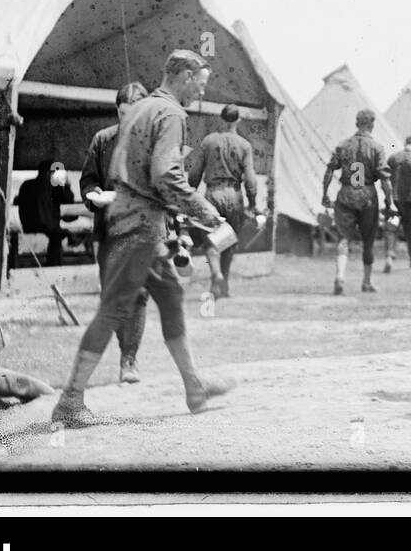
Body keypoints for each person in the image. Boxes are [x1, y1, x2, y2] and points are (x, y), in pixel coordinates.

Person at [51, 49, 235, 428]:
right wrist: (208, 214)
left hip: (136, 222)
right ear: (184, 76)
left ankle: (194, 386)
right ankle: (70, 401)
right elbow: (166, 175)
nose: (199, 94)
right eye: (199, 86)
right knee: (114, 308)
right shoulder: (170, 114)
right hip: (139, 228)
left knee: (170, 296)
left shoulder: (139, 109)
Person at [80, 81, 150, 384]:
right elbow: (87, 180)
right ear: (117, 111)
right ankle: (122, 353)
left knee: (139, 294)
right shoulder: (102, 140)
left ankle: (129, 359)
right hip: (109, 230)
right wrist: (93, 194)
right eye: (123, 114)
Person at [187, 104, 263, 299]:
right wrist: (253, 203)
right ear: (238, 121)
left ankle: (216, 274)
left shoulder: (208, 142)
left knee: (211, 238)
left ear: (220, 119)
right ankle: (224, 285)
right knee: (229, 241)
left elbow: (195, 173)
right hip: (234, 195)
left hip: (213, 194)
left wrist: (189, 194)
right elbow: (250, 178)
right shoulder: (245, 145)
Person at [321, 109, 394, 295]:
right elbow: (385, 179)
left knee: (343, 238)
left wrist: (324, 194)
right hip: (368, 195)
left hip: (345, 194)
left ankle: (340, 277)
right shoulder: (377, 148)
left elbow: (329, 171)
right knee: (368, 242)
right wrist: (389, 201)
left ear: (356, 124)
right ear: (372, 124)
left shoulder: (343, 145)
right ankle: (367, 282)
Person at [16, 160, 80, 268]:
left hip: (27, 227)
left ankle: (54, 264)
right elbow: (70, 209)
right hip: (46, 228)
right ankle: (54, 266)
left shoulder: (26, 185)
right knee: (58, 235)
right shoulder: (53, 187)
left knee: (58, 233)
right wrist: (66, 185)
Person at [384, 135, 411, 272]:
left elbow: (384, 176)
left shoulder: (393, 158)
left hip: (394, 201)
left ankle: (389, 254)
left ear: (405, 143)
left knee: (392, 228)